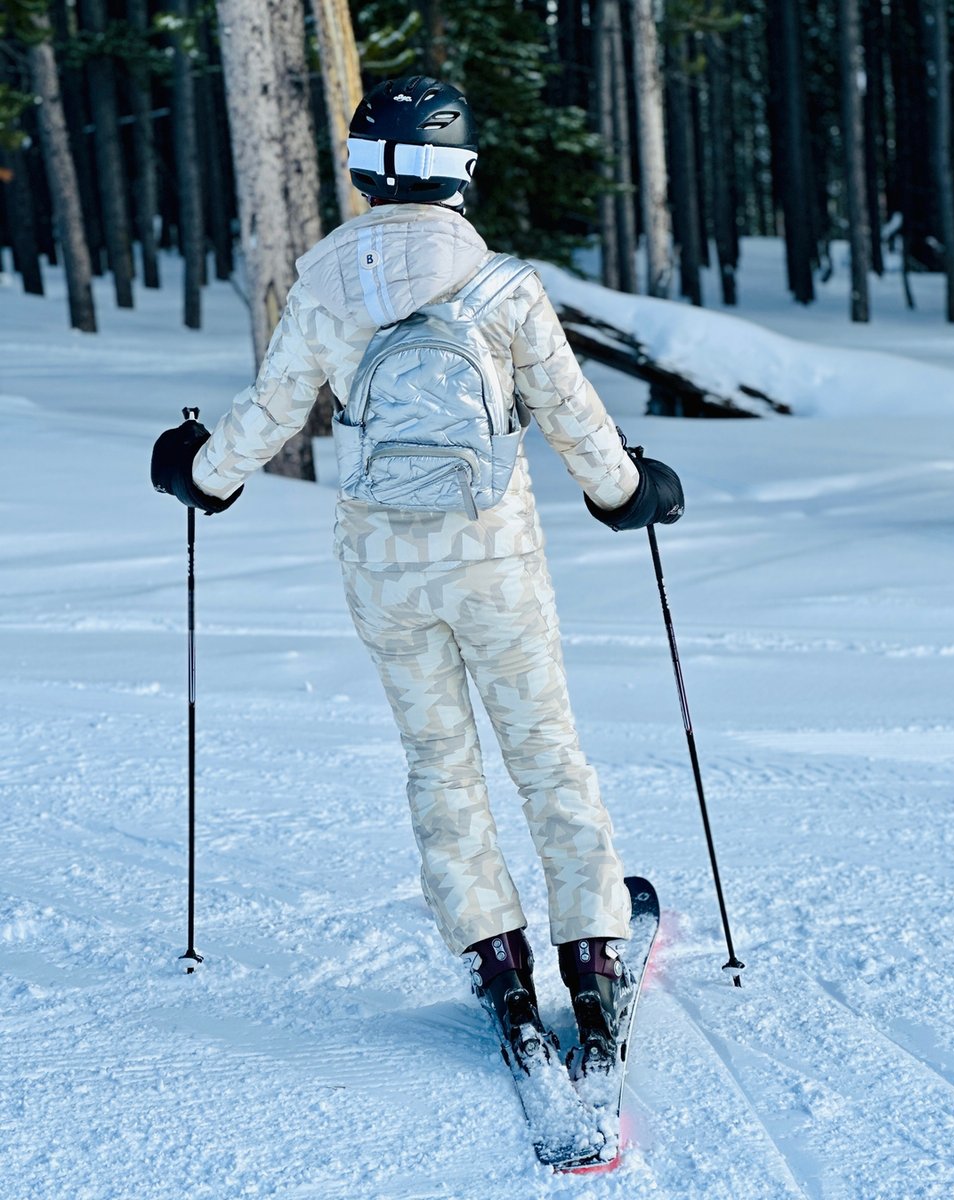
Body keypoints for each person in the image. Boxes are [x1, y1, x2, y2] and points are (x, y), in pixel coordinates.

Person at [151, 75, 683, 1070]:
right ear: (458, 169)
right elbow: (574, 420)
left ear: (364, 170)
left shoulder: (320, 289)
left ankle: (497, 965)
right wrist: (630, 493)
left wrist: (200, 476)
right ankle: (596, 962)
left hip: (381, 564)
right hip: (495, 562)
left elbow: (266, 419)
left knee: (440, 768)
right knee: (545, 754)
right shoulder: (504, 287)